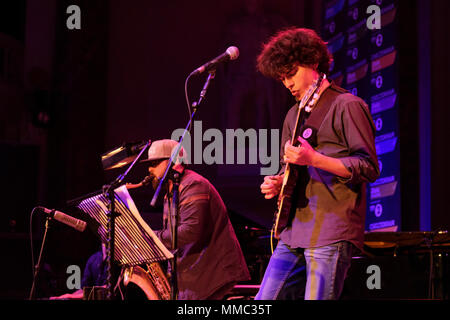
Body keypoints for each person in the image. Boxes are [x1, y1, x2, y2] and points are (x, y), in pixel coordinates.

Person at [255, 28, 380, 300]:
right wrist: (278, 181)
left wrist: (314, 159)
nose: (287, 83)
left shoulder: (347, 105)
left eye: (290, 73)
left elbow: (368, 166)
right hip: (293, 231)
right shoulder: (293, 115)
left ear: (312, 62)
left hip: (331, 229)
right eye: (282, 77)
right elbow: (291, 168)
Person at [135, 139, 250, 300]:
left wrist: (150, 238)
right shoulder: (172, 190)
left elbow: (190, 231)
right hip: (196, 274)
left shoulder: (193, 184)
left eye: (154, 163)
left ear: (173, 162)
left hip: (209, 273)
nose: (149, 169)